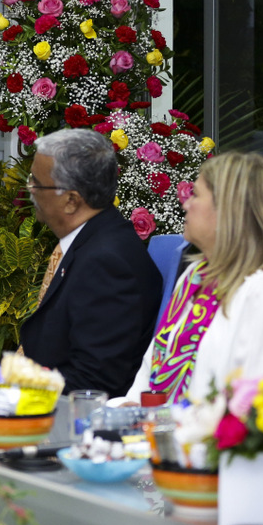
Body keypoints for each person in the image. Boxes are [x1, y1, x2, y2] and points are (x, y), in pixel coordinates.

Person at [125, 153, 263, 403]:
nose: (185, 204)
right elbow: (150, 371)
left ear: (228, 210)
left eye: (195, 195)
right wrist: (129, 410)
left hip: (201, 428)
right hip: (157, 423)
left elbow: (254, 408)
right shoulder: (194, 276)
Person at [19, 129, 162, 395]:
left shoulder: (107, 262)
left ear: (71, 201)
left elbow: (94, 381)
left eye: (37, 183)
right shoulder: (94, 242)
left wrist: (8, 390)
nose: (30, 189)